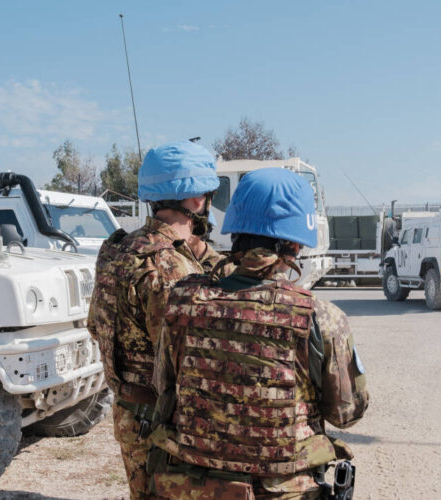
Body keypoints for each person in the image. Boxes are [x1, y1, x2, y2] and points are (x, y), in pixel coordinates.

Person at [149, 167, 369, 499]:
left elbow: (164, 390)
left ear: (235, 231)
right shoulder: (321, 317)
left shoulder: (182, 300)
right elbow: (346, 413)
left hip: (192, 488)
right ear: (294, 244)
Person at [87, 140, 225, 500]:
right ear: (198, 200)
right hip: (164, 423)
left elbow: (94, 325)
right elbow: (188, 363)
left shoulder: (116, 248)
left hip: (129, 412)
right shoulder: (171, 268)